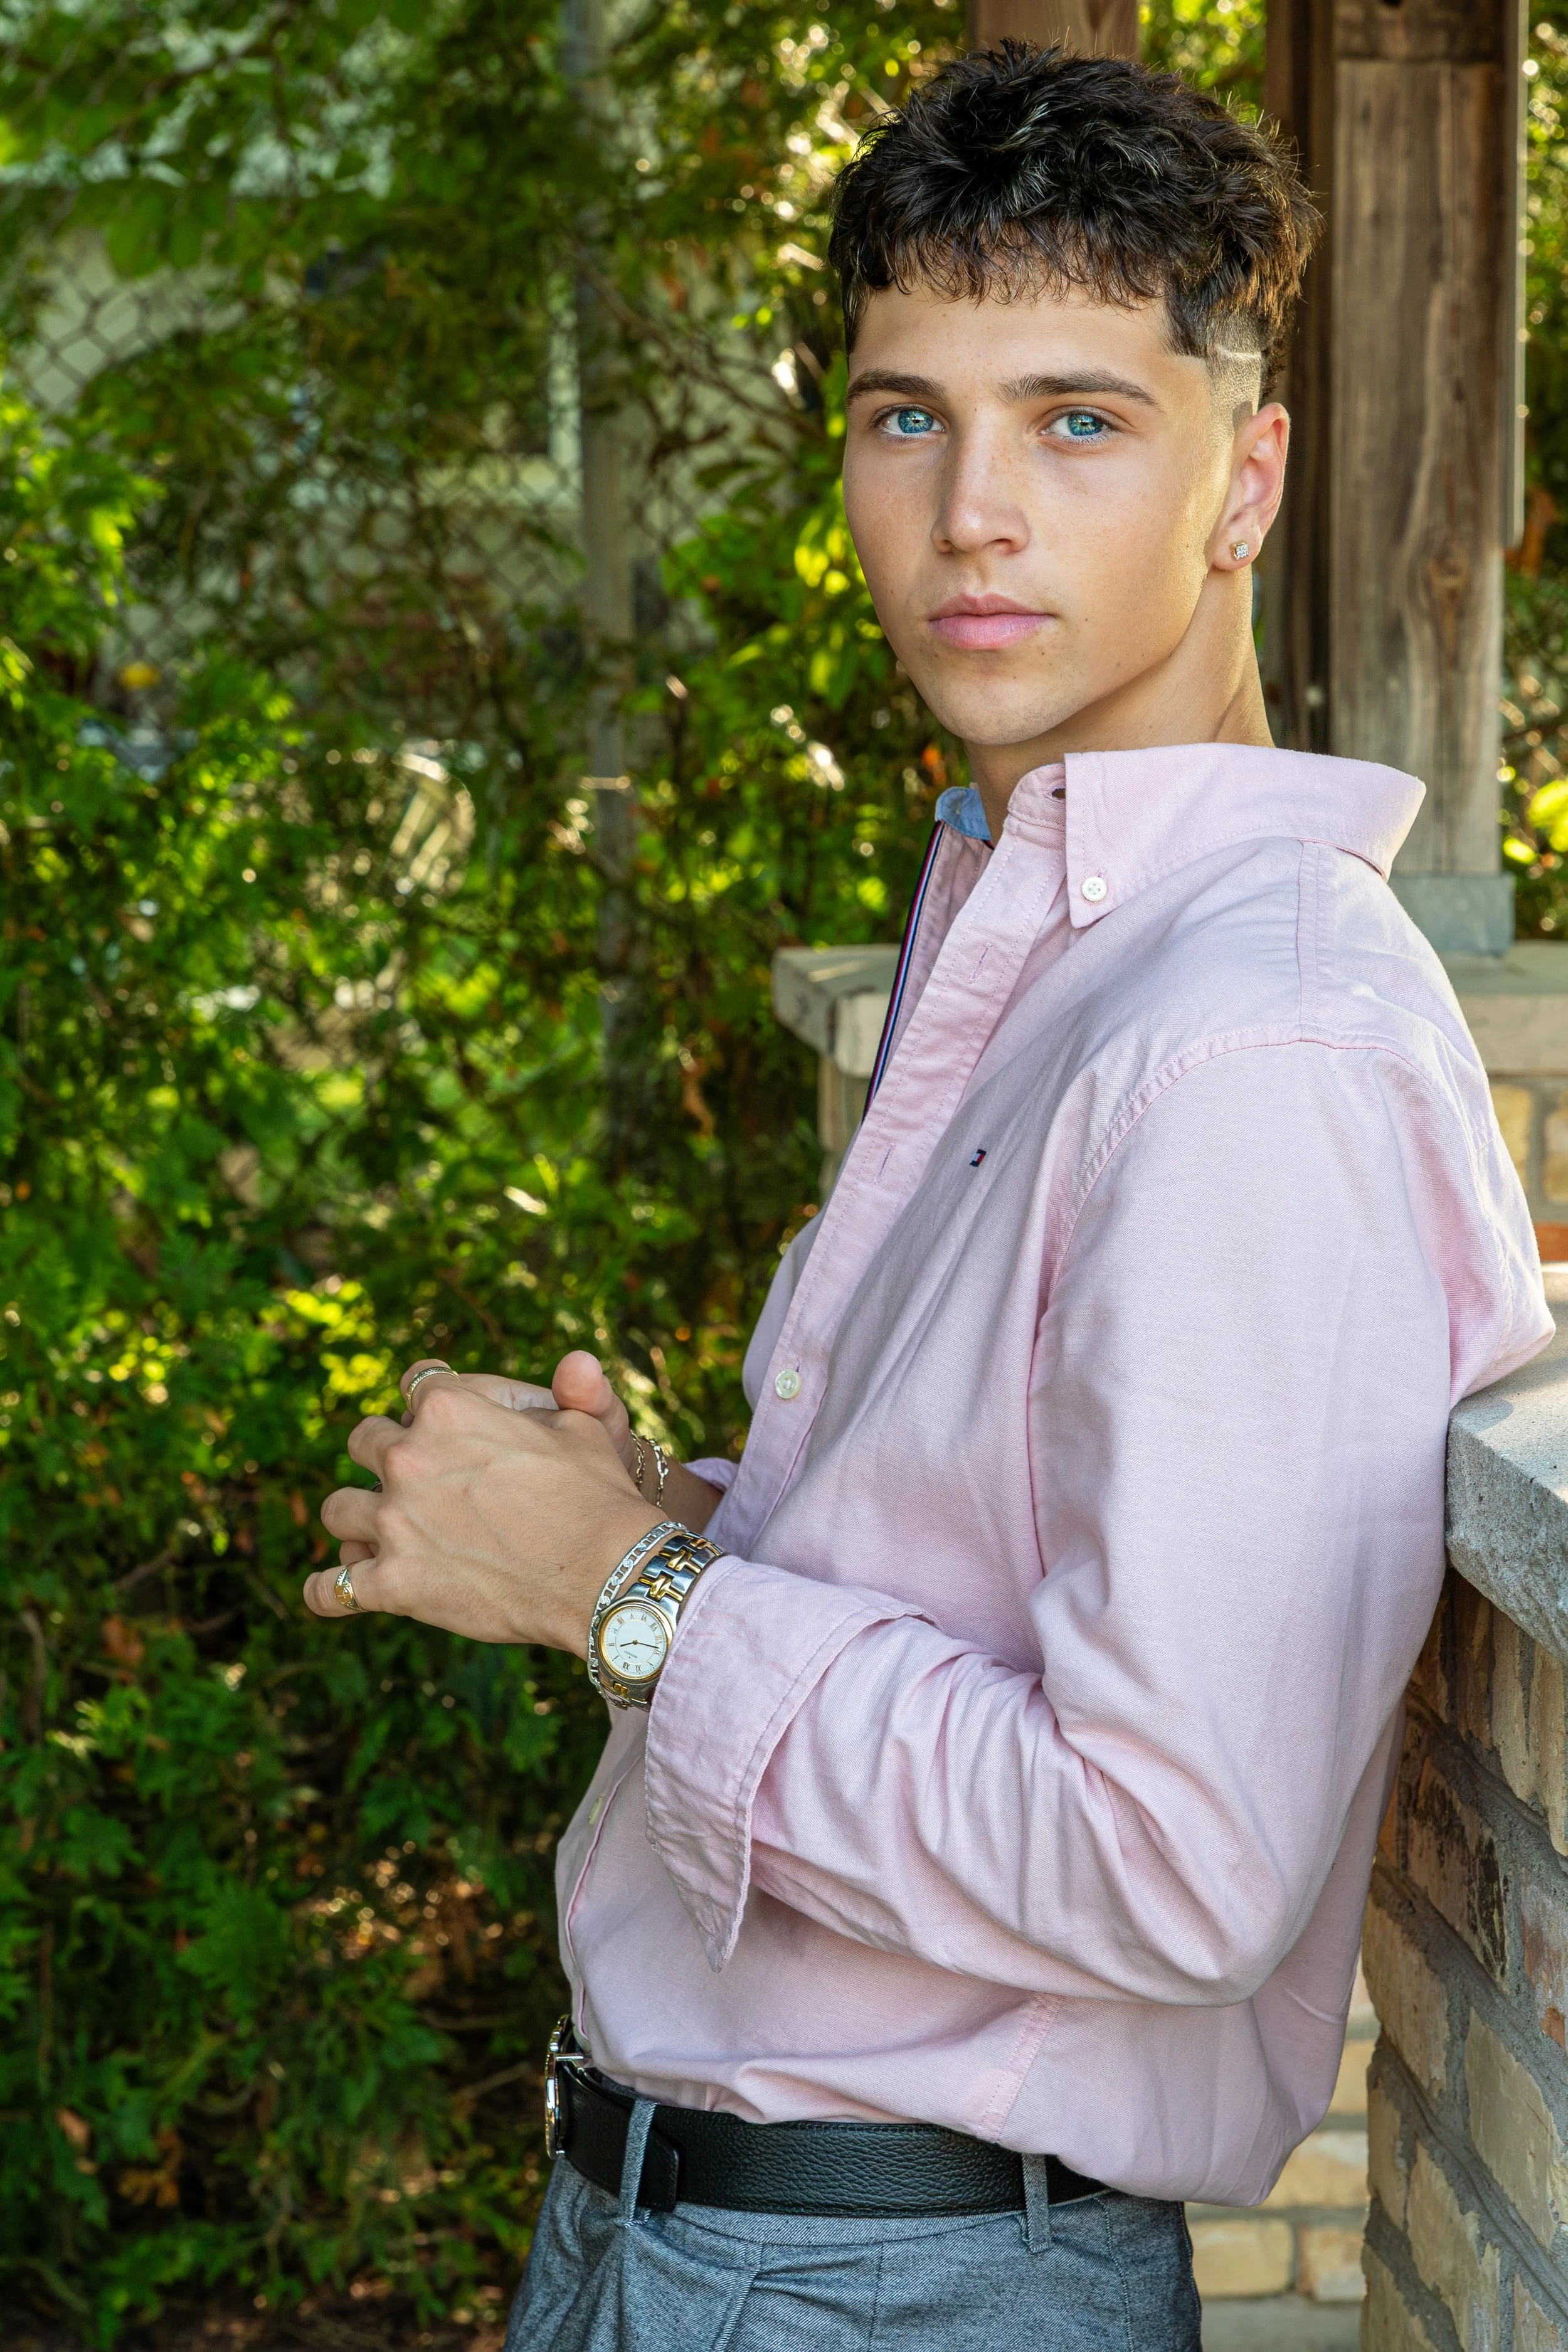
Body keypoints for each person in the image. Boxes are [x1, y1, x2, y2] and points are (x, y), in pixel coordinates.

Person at [308, 43, 1552, 2352]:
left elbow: (1171, 1860)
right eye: (909, 418)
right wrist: (656, 1525)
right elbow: (974, 1576)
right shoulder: (1039, 938)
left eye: (1077, 420)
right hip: (705, 2235)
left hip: (902, 2284)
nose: (973, 510)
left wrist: (627, 1596)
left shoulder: (1254, 1040)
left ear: (1244, 479)